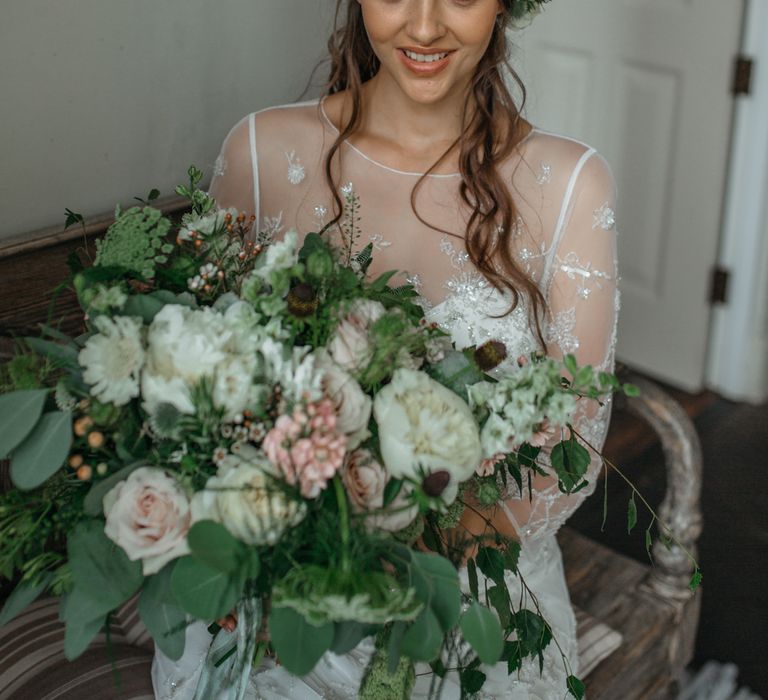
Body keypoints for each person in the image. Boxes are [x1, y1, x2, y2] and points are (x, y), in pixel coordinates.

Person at [152, 0, 619, 697]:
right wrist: (294, 555)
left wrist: (397, 563)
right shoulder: (259, 150)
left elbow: (576, 437)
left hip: (469, 593)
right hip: (279, 587)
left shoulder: (572, 185)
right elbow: (202, 383)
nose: (424, 27)